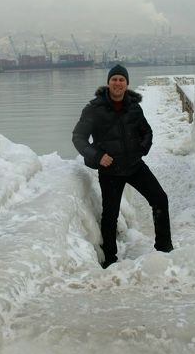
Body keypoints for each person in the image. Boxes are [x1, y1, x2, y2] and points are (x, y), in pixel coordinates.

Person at [72, 64, 173, 268]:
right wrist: (98, 156)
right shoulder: (94, 109)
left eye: (121, 80)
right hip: (110, 172)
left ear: (127, 84)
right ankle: (110, 259)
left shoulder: (134, 107)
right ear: (108, 83)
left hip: (135, 166)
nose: (118, 83)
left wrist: (141, 149)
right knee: (110, 214)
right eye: (114, 79)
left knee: (160, 199)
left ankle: (164, 247)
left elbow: (147, 132)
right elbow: (78, 137)